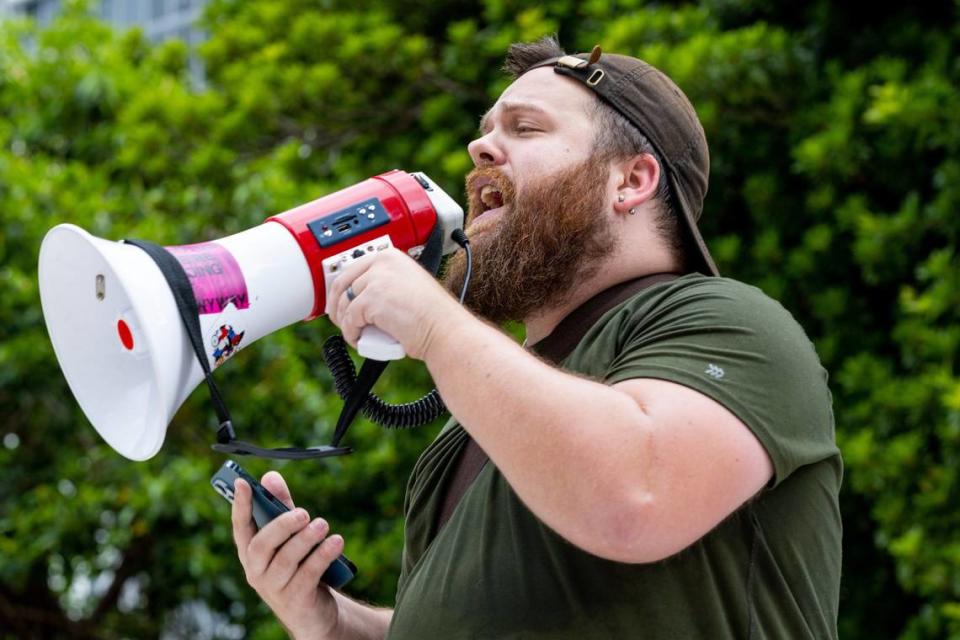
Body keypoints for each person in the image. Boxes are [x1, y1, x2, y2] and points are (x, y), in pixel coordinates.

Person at [230, 36, 842, 639]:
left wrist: (438, 325)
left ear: (630, 181)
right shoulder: (477, 422)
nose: (478, 148)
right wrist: (335, 623)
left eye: (525, 129)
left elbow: (634, 499)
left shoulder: (731, 323)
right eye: (487, 129)